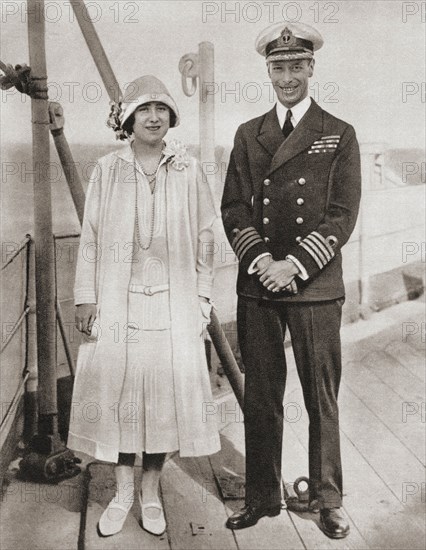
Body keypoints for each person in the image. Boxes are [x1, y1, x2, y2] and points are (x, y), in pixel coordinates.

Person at [221, 22, 361, 539]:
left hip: (315, 285)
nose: (286, 76)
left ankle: (327, 499)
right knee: (261, 393)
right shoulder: (247, 133)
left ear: (310, 68)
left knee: (320, 395)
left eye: (294, 67)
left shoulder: (338, 133)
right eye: (277, 68)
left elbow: (342, 214)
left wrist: (295, 265)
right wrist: (261, 260)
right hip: (258, 283)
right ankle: (261, 497)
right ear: (269, 71)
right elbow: (233, 206)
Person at [68, 75, 220, 537]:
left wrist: (202, 297)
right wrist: (85, 296)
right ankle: (121, 492)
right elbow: (91, 236)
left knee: (161, 402)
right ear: (129, 119)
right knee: (118, 398)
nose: (153, 117)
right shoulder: (107, 170)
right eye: (143, 110)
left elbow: (207, 235)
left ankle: (150, 491)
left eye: (161, 109)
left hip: (173, 306)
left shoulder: (188, 169)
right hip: (118, 304)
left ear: (171, 116)